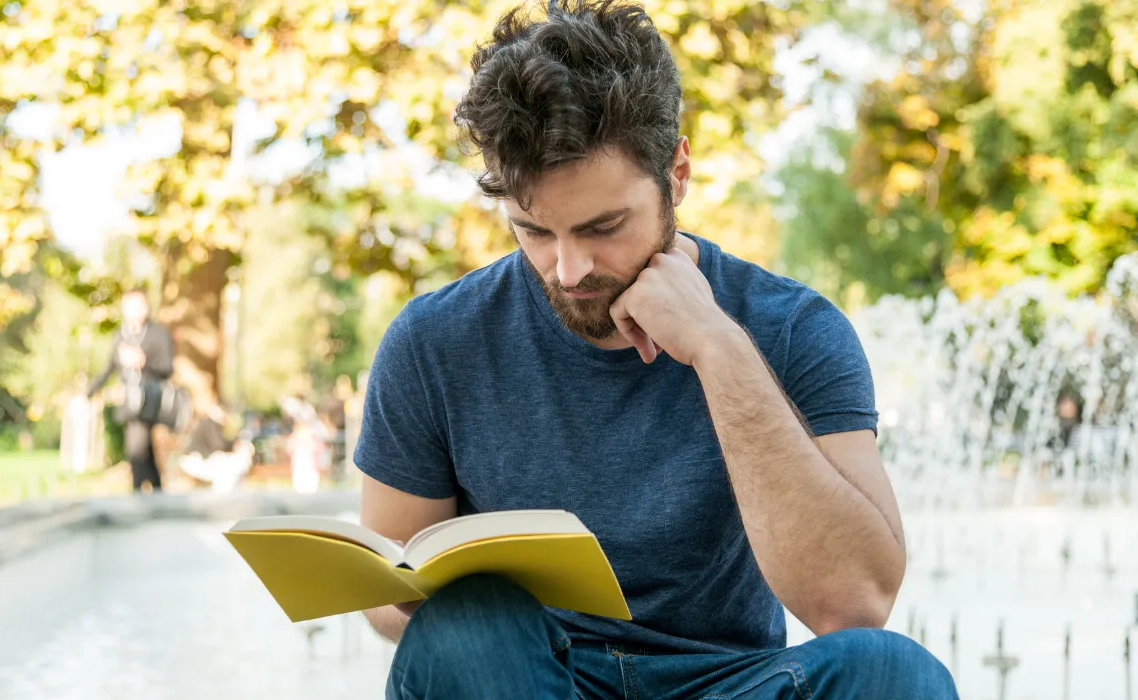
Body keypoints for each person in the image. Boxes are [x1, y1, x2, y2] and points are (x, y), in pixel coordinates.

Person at [353, 2, 958, 699]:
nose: (569, 269)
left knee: (890, 672)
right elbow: (388, 601)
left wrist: (716, 346)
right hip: (532, 680)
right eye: (534, 231)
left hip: (727, 684)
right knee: (466, 629)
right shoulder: (434, 342)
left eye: (603, 226)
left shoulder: (793, 328)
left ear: (677, 172)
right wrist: (434, 607)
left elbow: (854, 603)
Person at [87, 287, 175, 492]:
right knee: (145, 452)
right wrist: (88, 393)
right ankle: (157, 491)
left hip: (150, 400)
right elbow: (109, 368)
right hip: (129, 400)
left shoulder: (158, 334)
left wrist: (142, 362)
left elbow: (167, 368)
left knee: (136, 448)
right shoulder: (121, 335)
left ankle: (137, 493)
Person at [177, 402, 254, 492]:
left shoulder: (211, 423)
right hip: (195, 459)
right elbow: (218, 445)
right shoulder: (209, 422)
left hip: (200, 458)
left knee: (229, 464)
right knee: (226, 465)